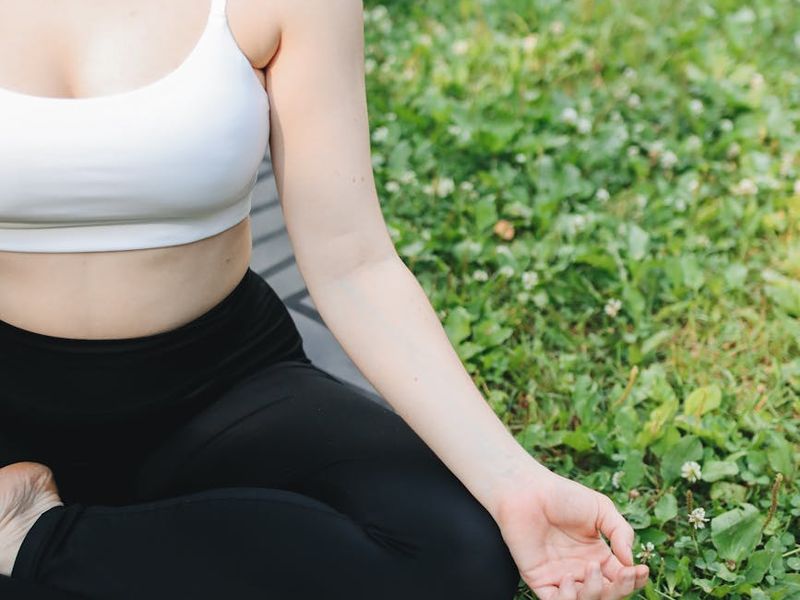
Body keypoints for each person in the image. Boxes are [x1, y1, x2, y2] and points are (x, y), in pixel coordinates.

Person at [0, 0, 650, 598]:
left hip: (216, 385)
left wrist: (515, 483)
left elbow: (354, 262)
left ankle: (35, 539)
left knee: (453, 558)